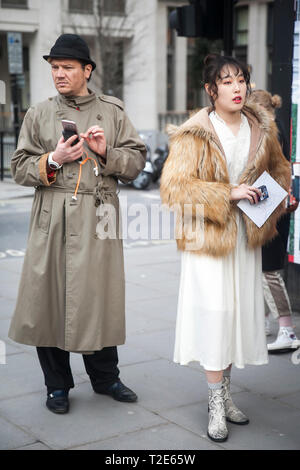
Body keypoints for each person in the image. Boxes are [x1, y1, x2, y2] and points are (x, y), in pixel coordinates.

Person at [8, 34, 146, 414]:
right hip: (51, 216)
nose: (59, 74)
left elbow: (136, 164)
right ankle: (57, 386)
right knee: (47, 301)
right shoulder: (38, 113)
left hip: (98, 214)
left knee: (98, 298)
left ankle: (106, 379)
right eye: (54, 67)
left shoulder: (113, 111)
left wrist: (104, 152)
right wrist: (52, 159)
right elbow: (18, 167)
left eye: (67, 67)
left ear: (87, 70)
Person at [160, 54, 290, 443]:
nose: (237, 88)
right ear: (210, 89)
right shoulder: (195, 132)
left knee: (234, 316)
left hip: (245, 237)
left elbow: (279, 169)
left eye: (242, 80)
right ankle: (215, 402)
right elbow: (175, 189)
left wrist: (280, 197)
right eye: (227, 81)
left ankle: (227, 395)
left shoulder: (260, 126)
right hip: (209, 240)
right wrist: (227, 193)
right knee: (216, 315)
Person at [247, 90, 300, 352]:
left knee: (268, 270)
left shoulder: (269, 133)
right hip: (274, 205)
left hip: (270, 206)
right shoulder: (277, 129)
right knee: (265, 269)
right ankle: (268, 324)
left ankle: (287, 330)